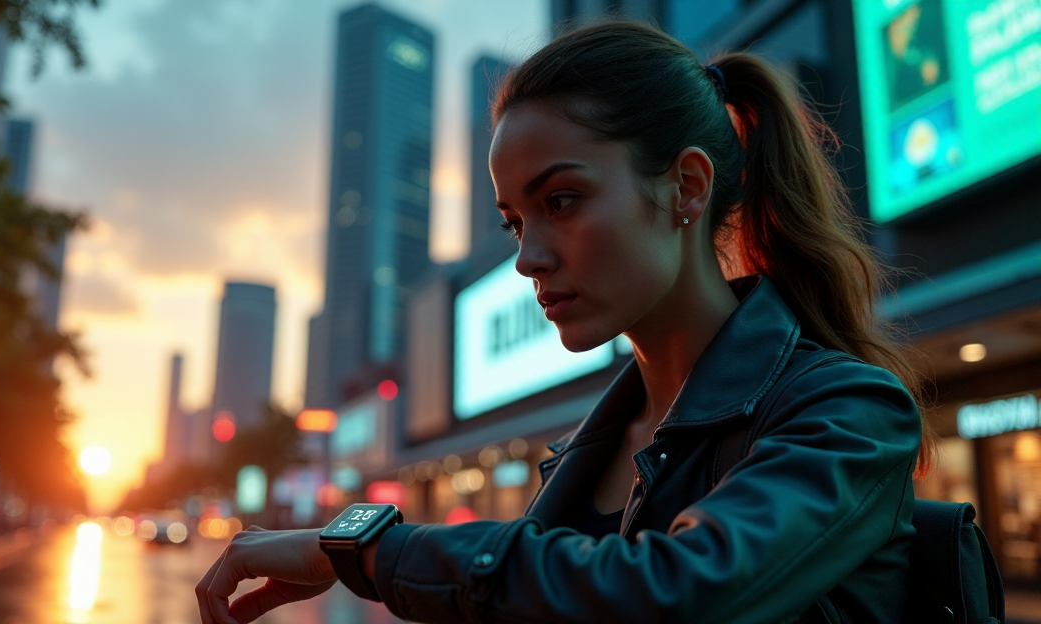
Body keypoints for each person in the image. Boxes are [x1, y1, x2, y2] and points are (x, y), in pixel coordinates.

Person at [196, 20, 935, 624]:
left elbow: (675, 595)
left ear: (685, 187)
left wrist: (355, 550)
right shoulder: (584, 452)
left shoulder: (847, 412)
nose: (528, 259)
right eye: (515, 222)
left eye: (562, 201)